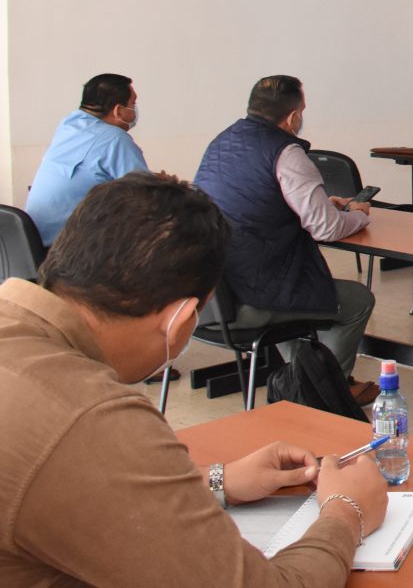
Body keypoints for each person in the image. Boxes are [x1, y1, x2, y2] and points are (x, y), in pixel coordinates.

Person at [0, 171, 386, 586]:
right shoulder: (91, 416)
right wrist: (347, 510)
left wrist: (217, 480)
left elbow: (77, 485)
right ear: (181, 319)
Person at [194, 75, 378, 402]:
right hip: (253, 298)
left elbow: (254, 202)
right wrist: (359, 214)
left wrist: (321, 205)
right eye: (302, 111)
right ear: (293, 116)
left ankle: (301, 380)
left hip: (211, 295)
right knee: (357, 300)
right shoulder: (286, 152)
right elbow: (325, 229)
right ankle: (328, 391)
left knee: (294, 298)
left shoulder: (223, 141)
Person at [26, 73, 148, 247]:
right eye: (133, 103)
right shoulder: (115, 139)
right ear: (118, 110)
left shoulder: (68, 126)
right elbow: (147, 196)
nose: (134, 109)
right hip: (71, 250)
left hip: (35, 243)